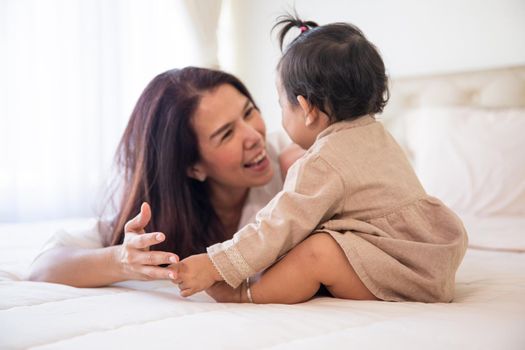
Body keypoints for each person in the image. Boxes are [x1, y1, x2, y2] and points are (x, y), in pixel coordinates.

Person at [171, 15, 468, 304]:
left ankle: (246, 294)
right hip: (427, 260)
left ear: (306, 108)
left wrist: (215, 264)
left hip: (403, 266)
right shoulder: (376, 135)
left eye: (281, 105)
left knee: (318, 251)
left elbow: (277, 226)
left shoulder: (322, 161)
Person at [29, 67, 301, 287]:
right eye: (227, 134)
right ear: (192, 167)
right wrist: (122, 260)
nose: (255, 137)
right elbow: (44, 267)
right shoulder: (156, 213)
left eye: (249, 112)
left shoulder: (292, 159)